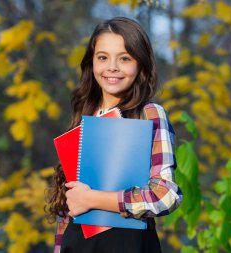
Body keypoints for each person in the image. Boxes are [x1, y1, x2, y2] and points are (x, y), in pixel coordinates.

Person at [47, 17, 183, 253]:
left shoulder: (148, 114)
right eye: (103, 57)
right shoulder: (84, 115)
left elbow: (166, 195)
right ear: (92, 62)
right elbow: (69, 210)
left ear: (140, 65)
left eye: (124, 58)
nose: (112, 67)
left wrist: (93, 199)